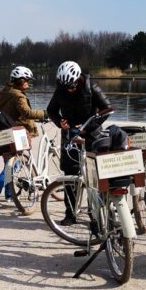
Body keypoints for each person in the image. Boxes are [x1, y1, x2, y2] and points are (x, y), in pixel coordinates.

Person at [45, 61, 111, 225]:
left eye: (72, 87)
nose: (69, 90)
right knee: (70, 175)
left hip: (92, 134)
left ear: (78, 80)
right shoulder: (60, 90)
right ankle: (70, 214)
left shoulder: (92, 88)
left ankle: (94, 214)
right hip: (70, 135)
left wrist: (89, 126)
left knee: (93, 175)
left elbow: (108, 109)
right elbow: (51, 110)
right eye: (65, 87)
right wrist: (60, 121)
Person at [0, 65, 47, 207]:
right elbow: (27, 113)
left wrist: (5, 111)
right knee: (14, 165)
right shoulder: (18, 95)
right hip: (16, 133)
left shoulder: (4, 93)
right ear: (20, 80)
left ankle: (9, 194)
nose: (28, 83)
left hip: (3, 133)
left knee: (9, 164)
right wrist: (44, 113)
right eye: (27, 80)